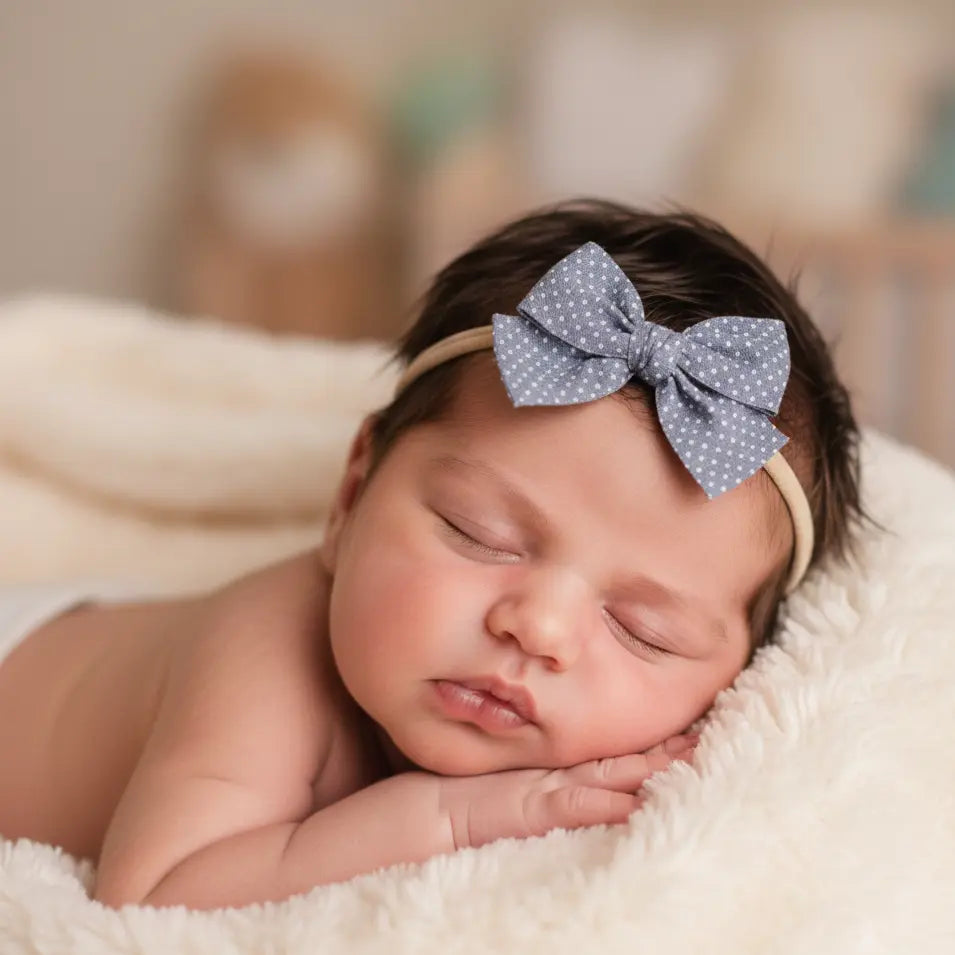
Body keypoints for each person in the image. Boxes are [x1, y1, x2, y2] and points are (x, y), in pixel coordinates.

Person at [0, 200, 863, 911]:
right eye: (478, 534)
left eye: (644, 630)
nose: (537, 626)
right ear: (350, 498)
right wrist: (453, 817)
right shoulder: (265, 653)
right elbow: (157, 893)